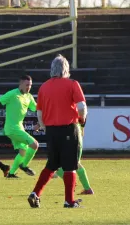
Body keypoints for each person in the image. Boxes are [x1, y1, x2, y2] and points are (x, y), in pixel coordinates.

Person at [27, 55, 87, 209]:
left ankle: (36, 193)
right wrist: (82, 120)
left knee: (52, 164)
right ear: (66, 68)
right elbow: (81, 107)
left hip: (51, 130)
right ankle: (69, 200)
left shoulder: (44, 87)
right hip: (68, 128)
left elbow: (39, 112)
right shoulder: (73, 84)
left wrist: (44, 126)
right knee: (70, 166)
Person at [0, 75, 39, 178]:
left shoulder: (29, 96)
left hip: (19, 128)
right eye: (27, 85)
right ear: (21, 84)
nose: (29, 87)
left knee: (23, 151)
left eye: (30, 85)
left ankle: (11, 174)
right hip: (12, 128)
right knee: (35, 145)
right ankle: (24, 166)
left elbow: (37, 109)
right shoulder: (12, 94)